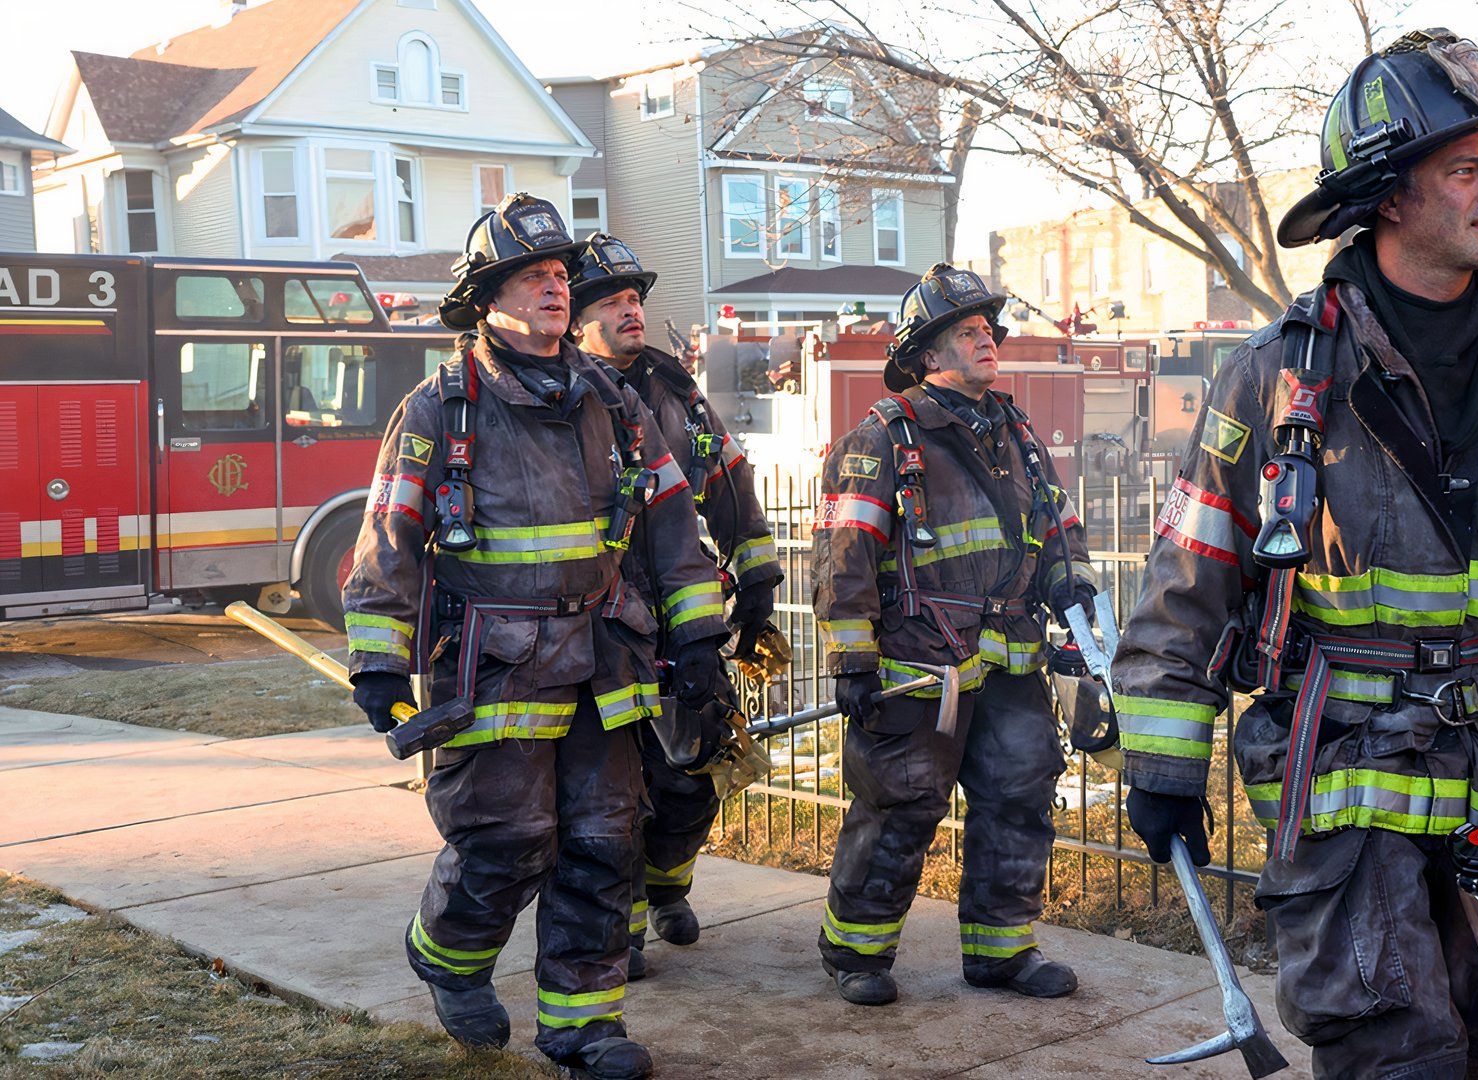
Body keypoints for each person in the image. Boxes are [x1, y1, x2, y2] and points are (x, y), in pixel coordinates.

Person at [1111, 30, 1478, 1080]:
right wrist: (1164, 763)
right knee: (1392, 1052)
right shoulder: (1276, 379)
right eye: (1465, 169)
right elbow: (1190, 579)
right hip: (1342, 778)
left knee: (1470, 1041)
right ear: (1391, 197)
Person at [342, 194, 727, 1080]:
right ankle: (449, 956)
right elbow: (390, 535)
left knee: (605, 842)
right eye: (533, 276)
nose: (556, 289)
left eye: (560, 275)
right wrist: (377, 661)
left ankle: (584, 1031)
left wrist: (699, 635)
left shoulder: (613, 400)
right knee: (505, 840)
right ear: (489, 298)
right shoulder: (442, 409)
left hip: (608, 658)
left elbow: (672, 522)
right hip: (496, 664)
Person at [810, 264, 1094, 1006]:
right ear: (929, 356)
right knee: (902, 803)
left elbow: (1057, 522)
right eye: (967, 332)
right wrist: (851, 657)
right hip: (917, 663)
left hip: (1006, 657)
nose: (987, 340)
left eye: (988, 330)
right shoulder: (884, 436)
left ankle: (1002, 952)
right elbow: (845, 557)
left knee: (1021, 792)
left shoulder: (1015, 430)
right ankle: (855, 953)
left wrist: (1075, 585)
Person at [566, 233, 781, 979]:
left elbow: (728, 481)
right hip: (595, 629)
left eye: (636, 300)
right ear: (576, 319)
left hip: (681, 619)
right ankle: (617, 931)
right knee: (613, 791)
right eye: (615, 302)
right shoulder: (558, 391)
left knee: (695, 774)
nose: (632, 312)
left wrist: (756, 586)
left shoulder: (675, 389)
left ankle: (667, 885)